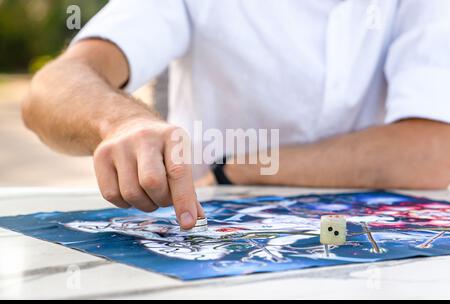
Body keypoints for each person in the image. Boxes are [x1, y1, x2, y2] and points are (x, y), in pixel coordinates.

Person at [22, 0, 450, 230]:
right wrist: (123, 121)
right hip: (213, 248)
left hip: (373, 246)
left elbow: (431, 152)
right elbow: (52, 89)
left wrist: (238, 169)